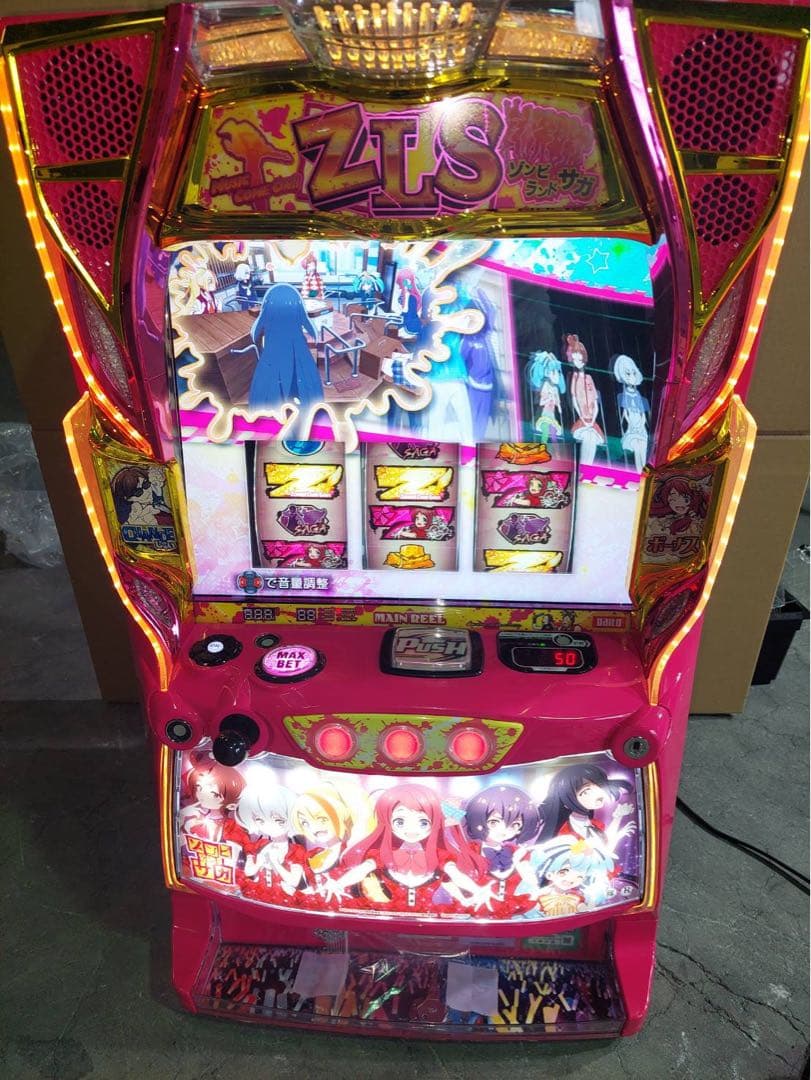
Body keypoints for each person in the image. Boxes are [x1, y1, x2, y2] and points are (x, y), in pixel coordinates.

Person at [248, 283, 322, 417]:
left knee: (271, 381)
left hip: (274, 351)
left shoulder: (268, 313)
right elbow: (310, 326)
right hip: (296, 351)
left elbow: (255, 332)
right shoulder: (296, 311)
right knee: (301, 379)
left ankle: (276, 409)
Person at [613, 354, 650, 473]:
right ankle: (640, 473)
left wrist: (641, 424)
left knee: (643, 445)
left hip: (640, 425)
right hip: (631, 426)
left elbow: (642, 413)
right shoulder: (623, 395)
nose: (632, 377)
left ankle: (644, 472)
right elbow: (625, 414)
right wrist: (631, 426)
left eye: (633, 373)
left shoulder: (638, 394)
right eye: (628, 374)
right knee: (637, 445)